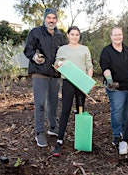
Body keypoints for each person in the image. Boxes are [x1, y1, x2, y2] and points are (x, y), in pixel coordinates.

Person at [24, 8, 66, 147]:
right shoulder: (35, 32)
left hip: (55, 74)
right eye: (49, 18)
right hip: (40, 72)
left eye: (54, 18)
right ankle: (39, 132)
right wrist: (35, 57)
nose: (51, 20)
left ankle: (53, 127)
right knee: (40, 104)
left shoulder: (60, 35)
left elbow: (65, 52)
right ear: (44, 19)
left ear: (56, 20)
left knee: (53, 103)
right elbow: (28, 50)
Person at [52, 26, 93, 157]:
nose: (75, 37)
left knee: (80, 111)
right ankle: (59, 141)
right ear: (68, 35)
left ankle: (81, 139)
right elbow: (57, 65)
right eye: (72, 34)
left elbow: (89, 66)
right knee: (65, 111)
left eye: (77, 35)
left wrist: (88, 81)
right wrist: (60, 65)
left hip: (81, 84)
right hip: (68, 83)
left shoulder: (84, 49)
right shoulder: (62, 49)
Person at [99, 26, 128, 148]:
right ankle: (116, 135)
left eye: (119, 34)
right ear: (111, 37)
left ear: (123, 36)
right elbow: (105, 68)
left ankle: (125, 133)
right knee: (117, 111)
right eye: (115, 35)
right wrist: (109, 79)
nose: (117, 37)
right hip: (116, 87)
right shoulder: (107, 51)